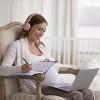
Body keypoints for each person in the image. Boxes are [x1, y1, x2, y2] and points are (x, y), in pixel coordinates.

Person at [1, 13, 94, 100]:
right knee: (76, 95)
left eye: (44, 31)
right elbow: (2, 70)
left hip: (58, 85)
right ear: (29, 27)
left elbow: (56, 68)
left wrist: (50, 63)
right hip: (40, 88)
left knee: (87, 92)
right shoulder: (17, 46)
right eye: (39, 29)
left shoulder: (42, 47)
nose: (41, 34)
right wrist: (20, 68)